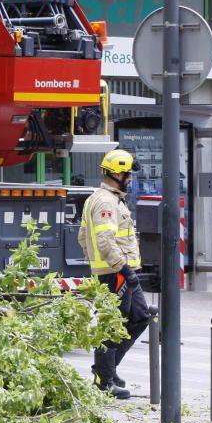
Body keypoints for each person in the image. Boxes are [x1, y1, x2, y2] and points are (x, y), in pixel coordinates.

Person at [78, 148, 148, 399]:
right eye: (127, 174)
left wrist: (96, 262)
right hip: (117, 272)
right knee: (112, 325)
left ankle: (107, 369)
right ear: (117, 174)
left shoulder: (107, 198)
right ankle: (104, 380)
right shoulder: (106, 202)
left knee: (140, 317)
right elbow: (105, 240)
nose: (130, 179)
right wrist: (120, 267)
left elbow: (83, 237)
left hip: (118, 270)